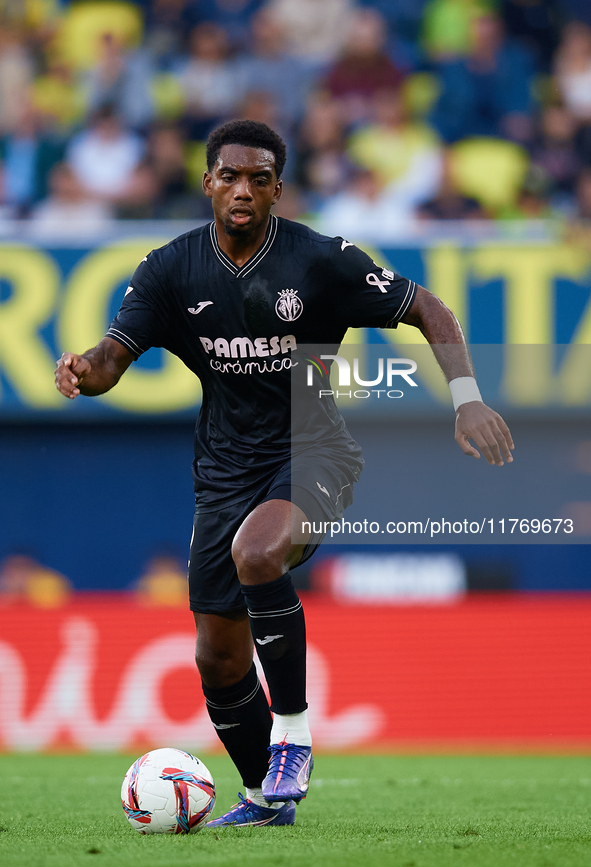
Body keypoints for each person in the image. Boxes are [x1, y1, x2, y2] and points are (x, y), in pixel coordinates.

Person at [54, 119, 513, 828]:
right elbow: (116, 355)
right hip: (223, 471)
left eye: (259, 178)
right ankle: (267, 798)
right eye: (230, 176)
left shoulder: (320, 261)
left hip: (315, 452)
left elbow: (428, 306)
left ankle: (292, 739)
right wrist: (85, 370)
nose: (243, 189)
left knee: (258, 551)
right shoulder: (169, 270)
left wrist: (467, 399)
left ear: (277, 189)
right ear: (207, 182)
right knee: (217, 656)